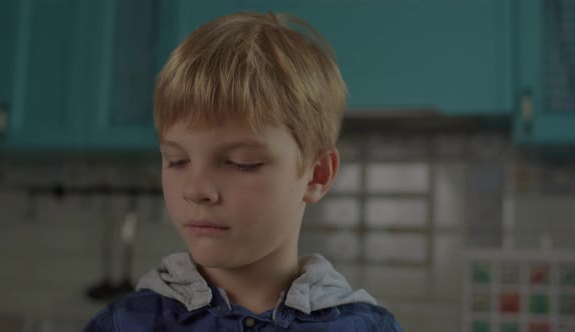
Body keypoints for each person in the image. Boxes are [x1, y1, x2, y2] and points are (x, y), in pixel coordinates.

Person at [83, 11, 404, 331]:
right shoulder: (122, 325)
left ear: (316, 174)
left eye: (242, 163)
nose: (196, 189)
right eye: (176, 160)